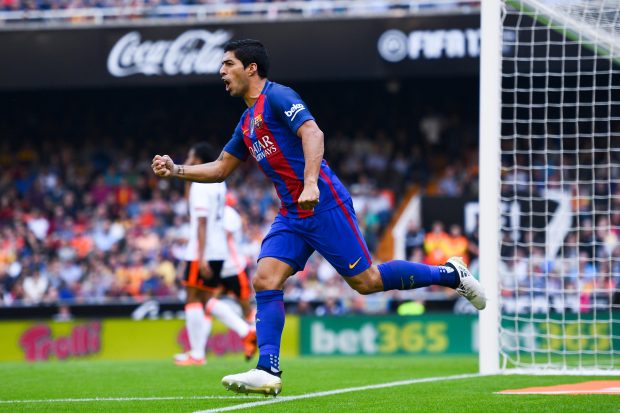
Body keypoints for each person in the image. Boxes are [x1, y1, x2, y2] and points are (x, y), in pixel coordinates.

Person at [152, 39, 486, 394]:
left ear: (251, 68)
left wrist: (310, 183)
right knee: (265, 279)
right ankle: (267, 369)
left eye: (229, 64)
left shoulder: (278, 97)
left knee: (367, 282)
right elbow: (220, 168)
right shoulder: (246, 122)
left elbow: (312, 132)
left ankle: (451, 275)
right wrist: (177, 169)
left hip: (323, 203)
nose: (222, 71)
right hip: (292, 214)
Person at [173, 142, 257, 366]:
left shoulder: (202, 184)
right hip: (218, 250)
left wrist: (200, 256)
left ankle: (198, 354)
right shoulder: (218, 183)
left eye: (191, 157)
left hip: (204, 250)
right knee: (207, 300)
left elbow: (200, 222)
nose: (188, 160)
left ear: (199, 159)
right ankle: (245, 332)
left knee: (193, 298)